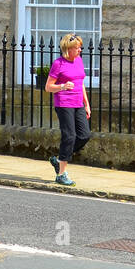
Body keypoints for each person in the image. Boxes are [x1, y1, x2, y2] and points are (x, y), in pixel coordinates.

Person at [44, 34, 91, 187]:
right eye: (77, 48)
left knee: (84, 136)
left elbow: (81, 83)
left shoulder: (79, 61)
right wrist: (63, 86)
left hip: (78, 103)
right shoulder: (58, 64)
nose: (80, 50)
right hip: (64, 103)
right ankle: (61, 174)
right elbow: (48, 87)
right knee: (69, 136)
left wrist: (86, 103)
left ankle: (59, 160)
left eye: (80, 47)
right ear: (67, 49)